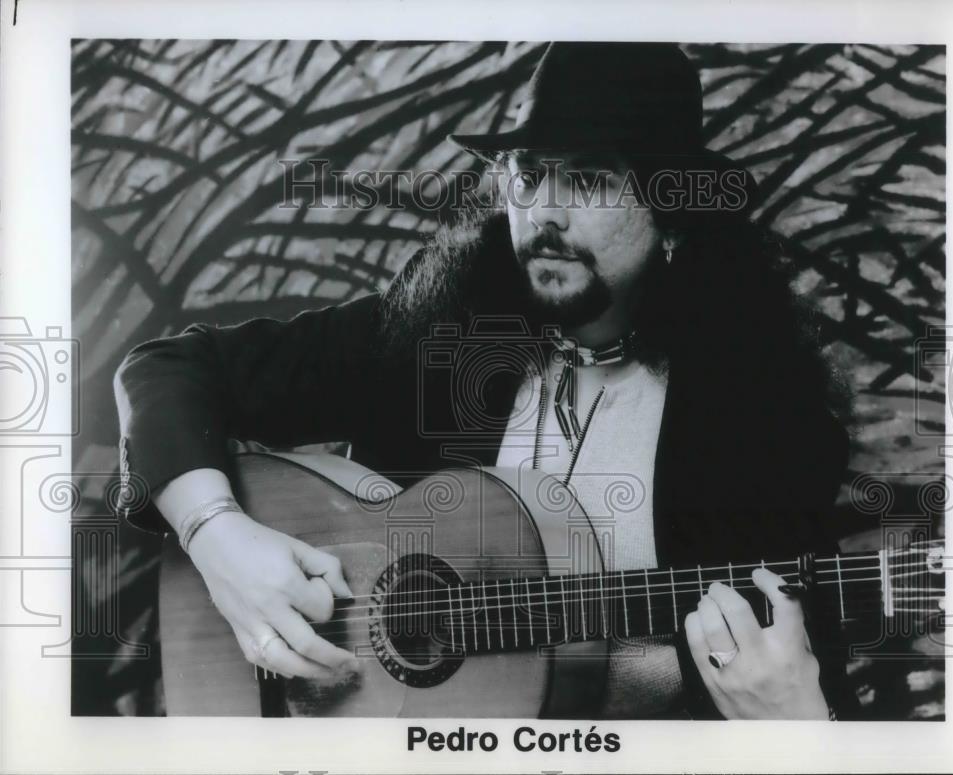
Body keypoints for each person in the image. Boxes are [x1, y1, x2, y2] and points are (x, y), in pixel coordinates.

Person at [114, 42, 857, 719]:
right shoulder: (435, 335)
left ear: (674, 216)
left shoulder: (758, 425)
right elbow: (168, 369)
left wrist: (798, 723)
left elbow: (810, 672)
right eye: (529, 175)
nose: (546, 213)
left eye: (590, 178)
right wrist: (219, 538)